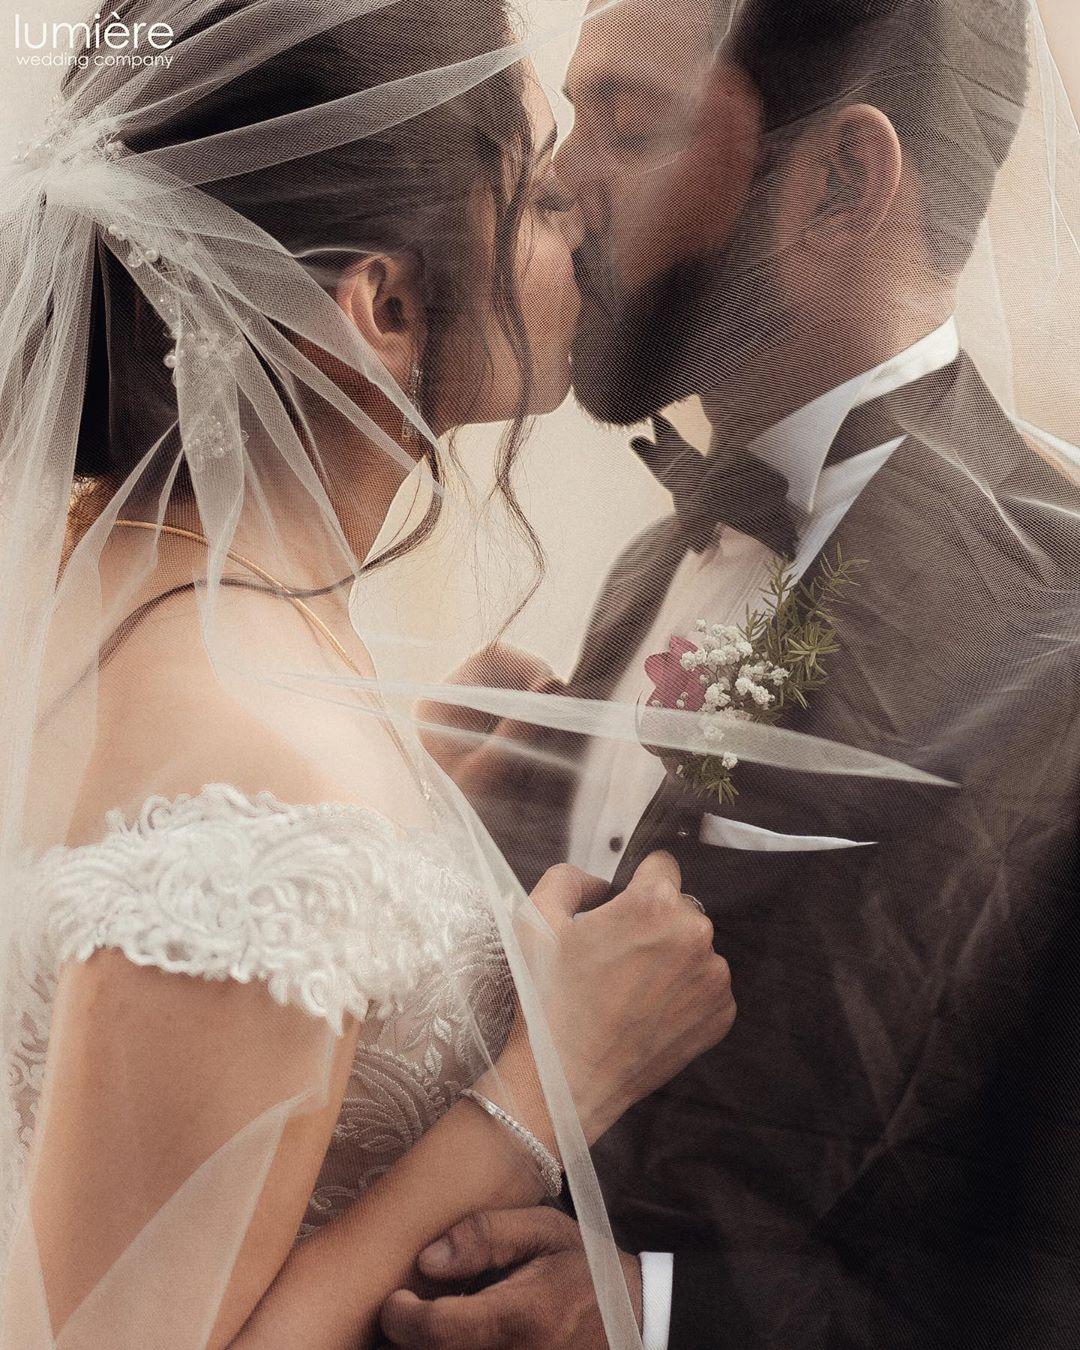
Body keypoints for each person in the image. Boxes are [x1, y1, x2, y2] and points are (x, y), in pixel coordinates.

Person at [0, 1, 737, 1345]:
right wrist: (541, 1085)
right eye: (526, 191)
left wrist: (407, 789)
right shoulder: (266, 774)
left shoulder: (127, 579)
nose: (576, 206)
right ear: (385, 305)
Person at [390, 1, 1080, 1347]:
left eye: (627, 127)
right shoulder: (656, 565)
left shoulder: (1055, 637)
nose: (556, 184)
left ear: (839, 182)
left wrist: (649, 1315)